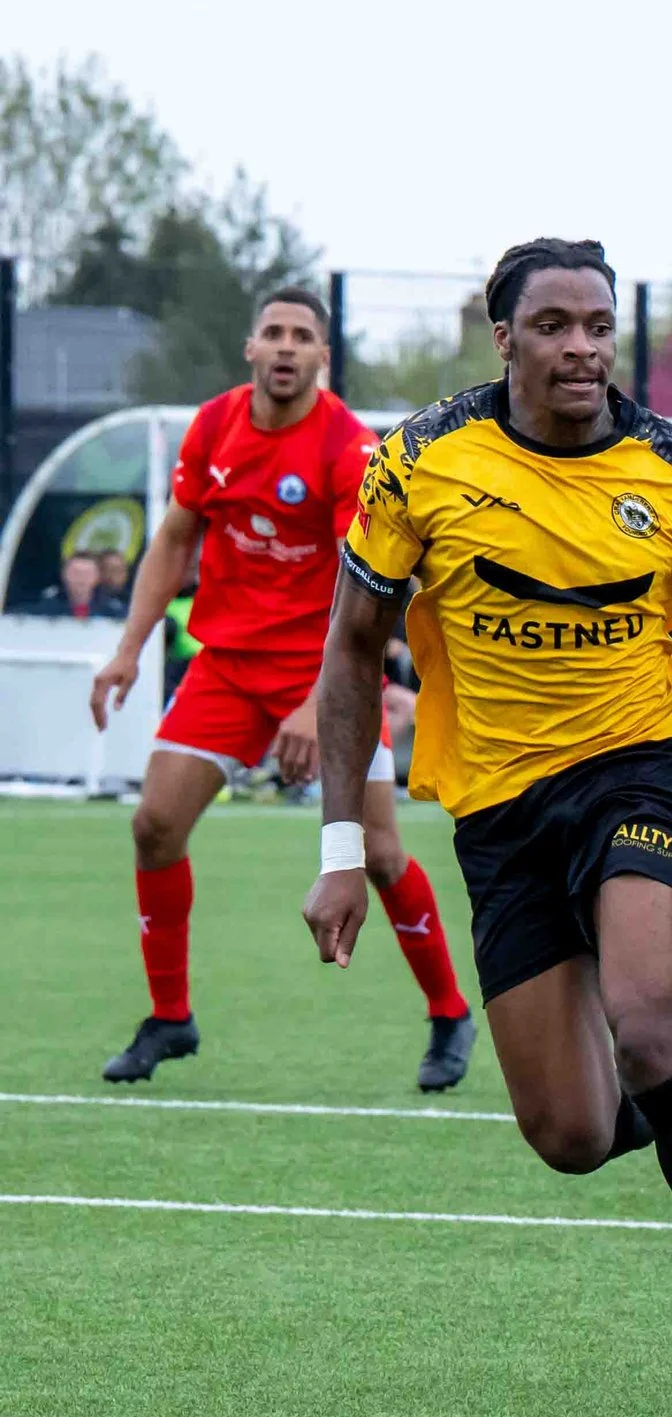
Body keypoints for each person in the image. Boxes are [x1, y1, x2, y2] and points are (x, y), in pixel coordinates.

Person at [300, 238, 672, 1417]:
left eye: (598, 325)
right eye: (555, 326)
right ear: (506, 338)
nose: (581, 347)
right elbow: (347, 651)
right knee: (574, 1134)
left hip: (638, 777)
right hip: (496, 809)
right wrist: (339, 851)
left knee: (645, 1020)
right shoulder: (419, 461)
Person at [87, 286, 473, 1090]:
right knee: (154, 825)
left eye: (304, 335)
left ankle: (448, 1012)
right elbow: (175, 539)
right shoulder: (214, 425)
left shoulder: (348, 447)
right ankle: (170, 1018)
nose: (288, 346)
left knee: (377, 851)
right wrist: (128, 650)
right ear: (251, 348)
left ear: (323, 358)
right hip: (227, 665)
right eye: (275, 333)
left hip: (326, 670)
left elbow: (360, 585)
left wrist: (314, 701)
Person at [27, 551, 125, 619]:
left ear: (97, 577)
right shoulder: (44, 609)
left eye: (87, 574)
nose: (81, 578)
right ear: (64, 575)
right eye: (76, 573)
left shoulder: (114, 611)